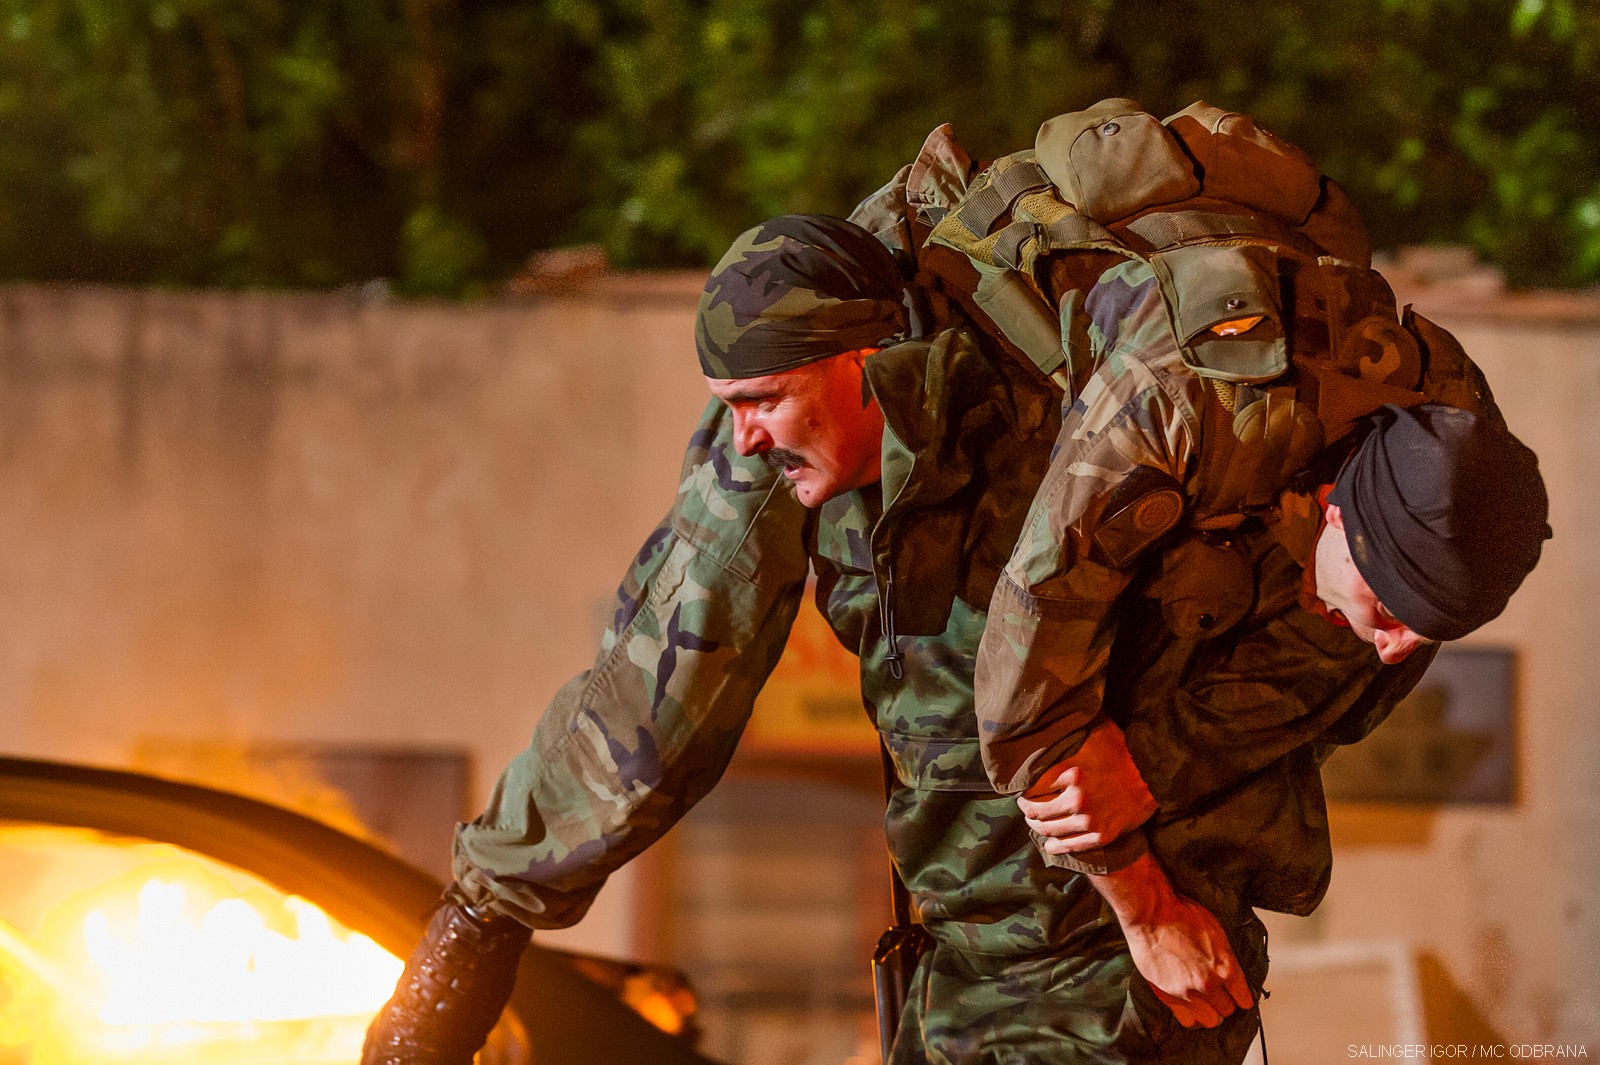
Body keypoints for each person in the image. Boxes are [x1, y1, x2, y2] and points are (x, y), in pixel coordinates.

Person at [363, 102, 1550, 1065]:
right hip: (988, 916)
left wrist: (1139, 856)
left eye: (766, 410)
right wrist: (479, 922)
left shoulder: (1395, 458)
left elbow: (1327, 665)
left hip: (1114, 946)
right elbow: (656, 694)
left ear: (866, 368)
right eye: (743, 412)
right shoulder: (794, 398)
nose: (753, 440)